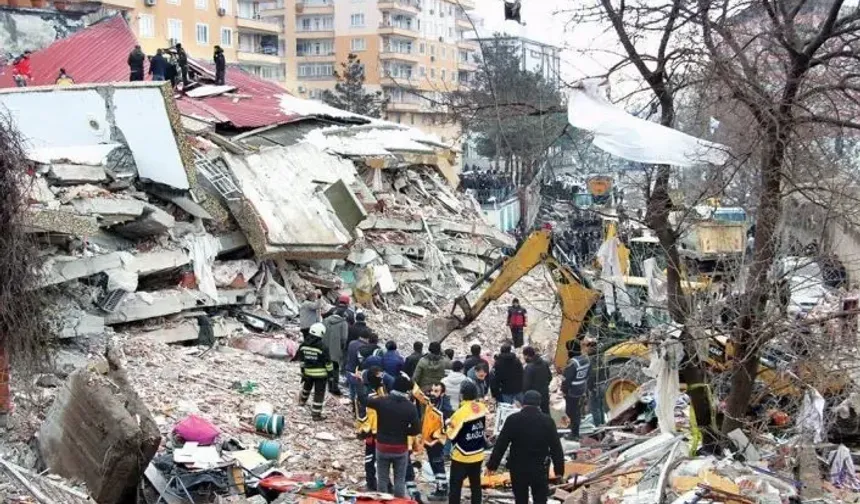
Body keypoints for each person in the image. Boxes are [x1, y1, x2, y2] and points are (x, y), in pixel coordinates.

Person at [486, 390, 565, 504]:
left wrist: (492, 465)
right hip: (540, 468)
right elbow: (556, 448)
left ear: (523, 403)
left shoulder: (513, 419)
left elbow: (501, 444)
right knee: (540, 499)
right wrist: (559, 471)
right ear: (539, 404)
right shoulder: (548, 421)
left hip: (518, 467)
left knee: (520, 499)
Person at [368, 375, 421, 498]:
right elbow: (416, 430)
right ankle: (399, 500)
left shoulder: (382, 401)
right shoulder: (410, 407)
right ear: (406, 390)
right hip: (400, 448)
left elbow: (365, 400)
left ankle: (382, 500)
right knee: (399, 480)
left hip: (382, 446)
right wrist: (404, 431)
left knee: (382, 479)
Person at [446, 381, 488, 504]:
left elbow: (451, 435)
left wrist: (447, 424)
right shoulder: (482, 407)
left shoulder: (460, 413)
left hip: (461, 456)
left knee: (455, 487)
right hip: (478, 454)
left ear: (462, 395)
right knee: (476, 486)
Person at [413, 383, 454, 501]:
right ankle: (441, 487)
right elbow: (420, 395)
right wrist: (411, 383)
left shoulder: (444, 407)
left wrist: (436, 434)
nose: (433, 393)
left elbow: (447, 422)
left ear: (442, 393)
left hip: (436, 442)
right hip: (429, 441)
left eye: (436, 391)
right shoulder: (432, 402)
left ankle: (442, 490)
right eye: (432, 390)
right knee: (434, 464)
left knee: (437, 465)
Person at [356, 365, 394, 491]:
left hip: (381, 431)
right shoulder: (368, 393)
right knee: (372, 459)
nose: (381, 378)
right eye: (379, 376)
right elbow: (362, 413)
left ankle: (385, 483)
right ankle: (372, 482)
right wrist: (366, 433)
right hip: (372, 433)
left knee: (381, 459)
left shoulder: (379, 389)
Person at [296, 323, 334, 421]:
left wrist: (303, 372)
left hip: (308, 372)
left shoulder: (303, 345)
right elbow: (328, 363)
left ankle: (302, 401)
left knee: (306, 387)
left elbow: (302, 361)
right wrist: (331, 375)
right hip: (321, 375)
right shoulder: (323, 347)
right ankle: (316, 414)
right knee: (319, 394)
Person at [561, 340, 591, 440]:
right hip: (581, 389)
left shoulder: (572, 364)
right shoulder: (586, 359)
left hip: (572, 391)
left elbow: (566, 380)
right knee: (577, 411)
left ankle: (574, 434)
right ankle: (575, 430)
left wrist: (564, 390)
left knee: (571, 412)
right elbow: (588, 374)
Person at [322, 306, 348, 396]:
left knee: (325, 366)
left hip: (324, 347)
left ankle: (324, 384)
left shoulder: (325, 320)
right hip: (336, 349)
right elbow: (344, 338)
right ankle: (333, 387)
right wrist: (342, 348)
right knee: (335, 368)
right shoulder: (343, 323)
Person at [523, 346, 552, 414]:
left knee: (534, 415)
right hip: (545, 394)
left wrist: (525, 394)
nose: (524, 358)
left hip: (534, 397)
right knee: (545, 413)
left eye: (524, 356)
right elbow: (550, 377)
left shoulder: (529, 367)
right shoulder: (544, 363)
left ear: (527, 356)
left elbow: (526, 385)